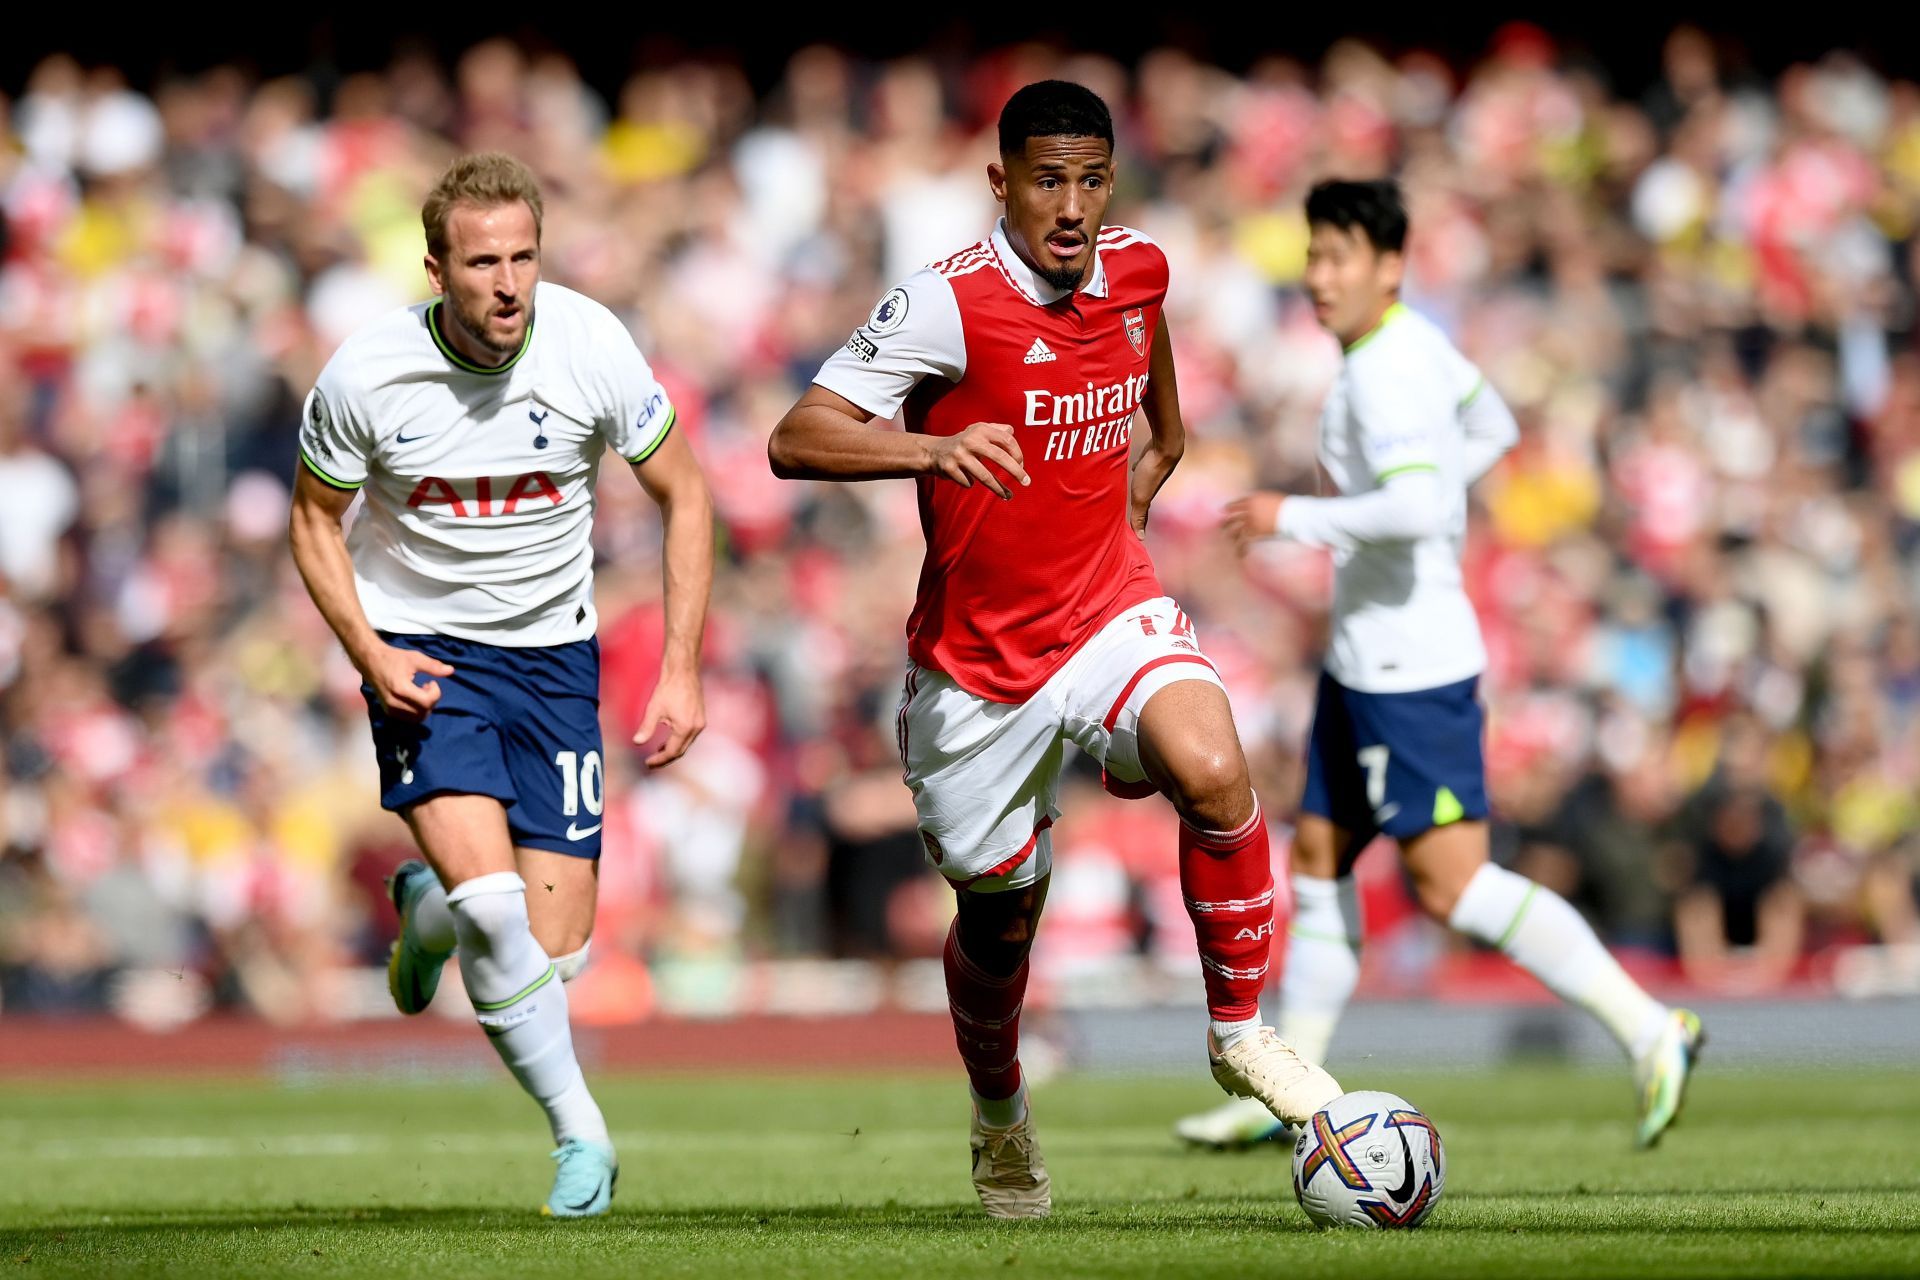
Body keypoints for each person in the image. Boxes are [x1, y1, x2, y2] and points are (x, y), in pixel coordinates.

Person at [768, 80, 1340, 1220]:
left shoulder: (1140, 267)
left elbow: (1149, 345)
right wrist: (928, 451)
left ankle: (1238, 1035)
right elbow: (797, 435)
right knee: (1000, 917)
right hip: (975, 671)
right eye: (1046, 180)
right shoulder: (945, 303)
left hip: (1106, 607)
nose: (1070, 206)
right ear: (1002, 183)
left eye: (1089, 180)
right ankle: (999, 1111)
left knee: (1219, 768)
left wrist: (1164, 443)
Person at [1188, 178, 1702, 1152]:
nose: (1318, 275)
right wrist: (1417, 508)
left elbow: (1417, 508)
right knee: (1319, 857)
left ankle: (1650, 1026)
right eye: (1313, 254)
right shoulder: (1414, 345)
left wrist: (1286, 515)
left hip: (1404, 669)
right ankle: (1291, 1083)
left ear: (1389, 266)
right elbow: (1495, 427)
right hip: (1363, 658)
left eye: (1339, 256)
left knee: (1453, 886)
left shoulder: (1384, 373)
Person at [288, 152, 714, 1216]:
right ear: (437, 269)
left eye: (524, 256)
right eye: (483, 262)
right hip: (425, 653)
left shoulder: (590, 344)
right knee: (497, 910)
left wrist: (681, 665)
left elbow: (687, 493)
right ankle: (583, 1138)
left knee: (553, 957)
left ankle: (422, 909)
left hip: (556, 663)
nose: (509, 282)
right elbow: (311, 521)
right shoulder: (367, 375)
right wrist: (369, 654)